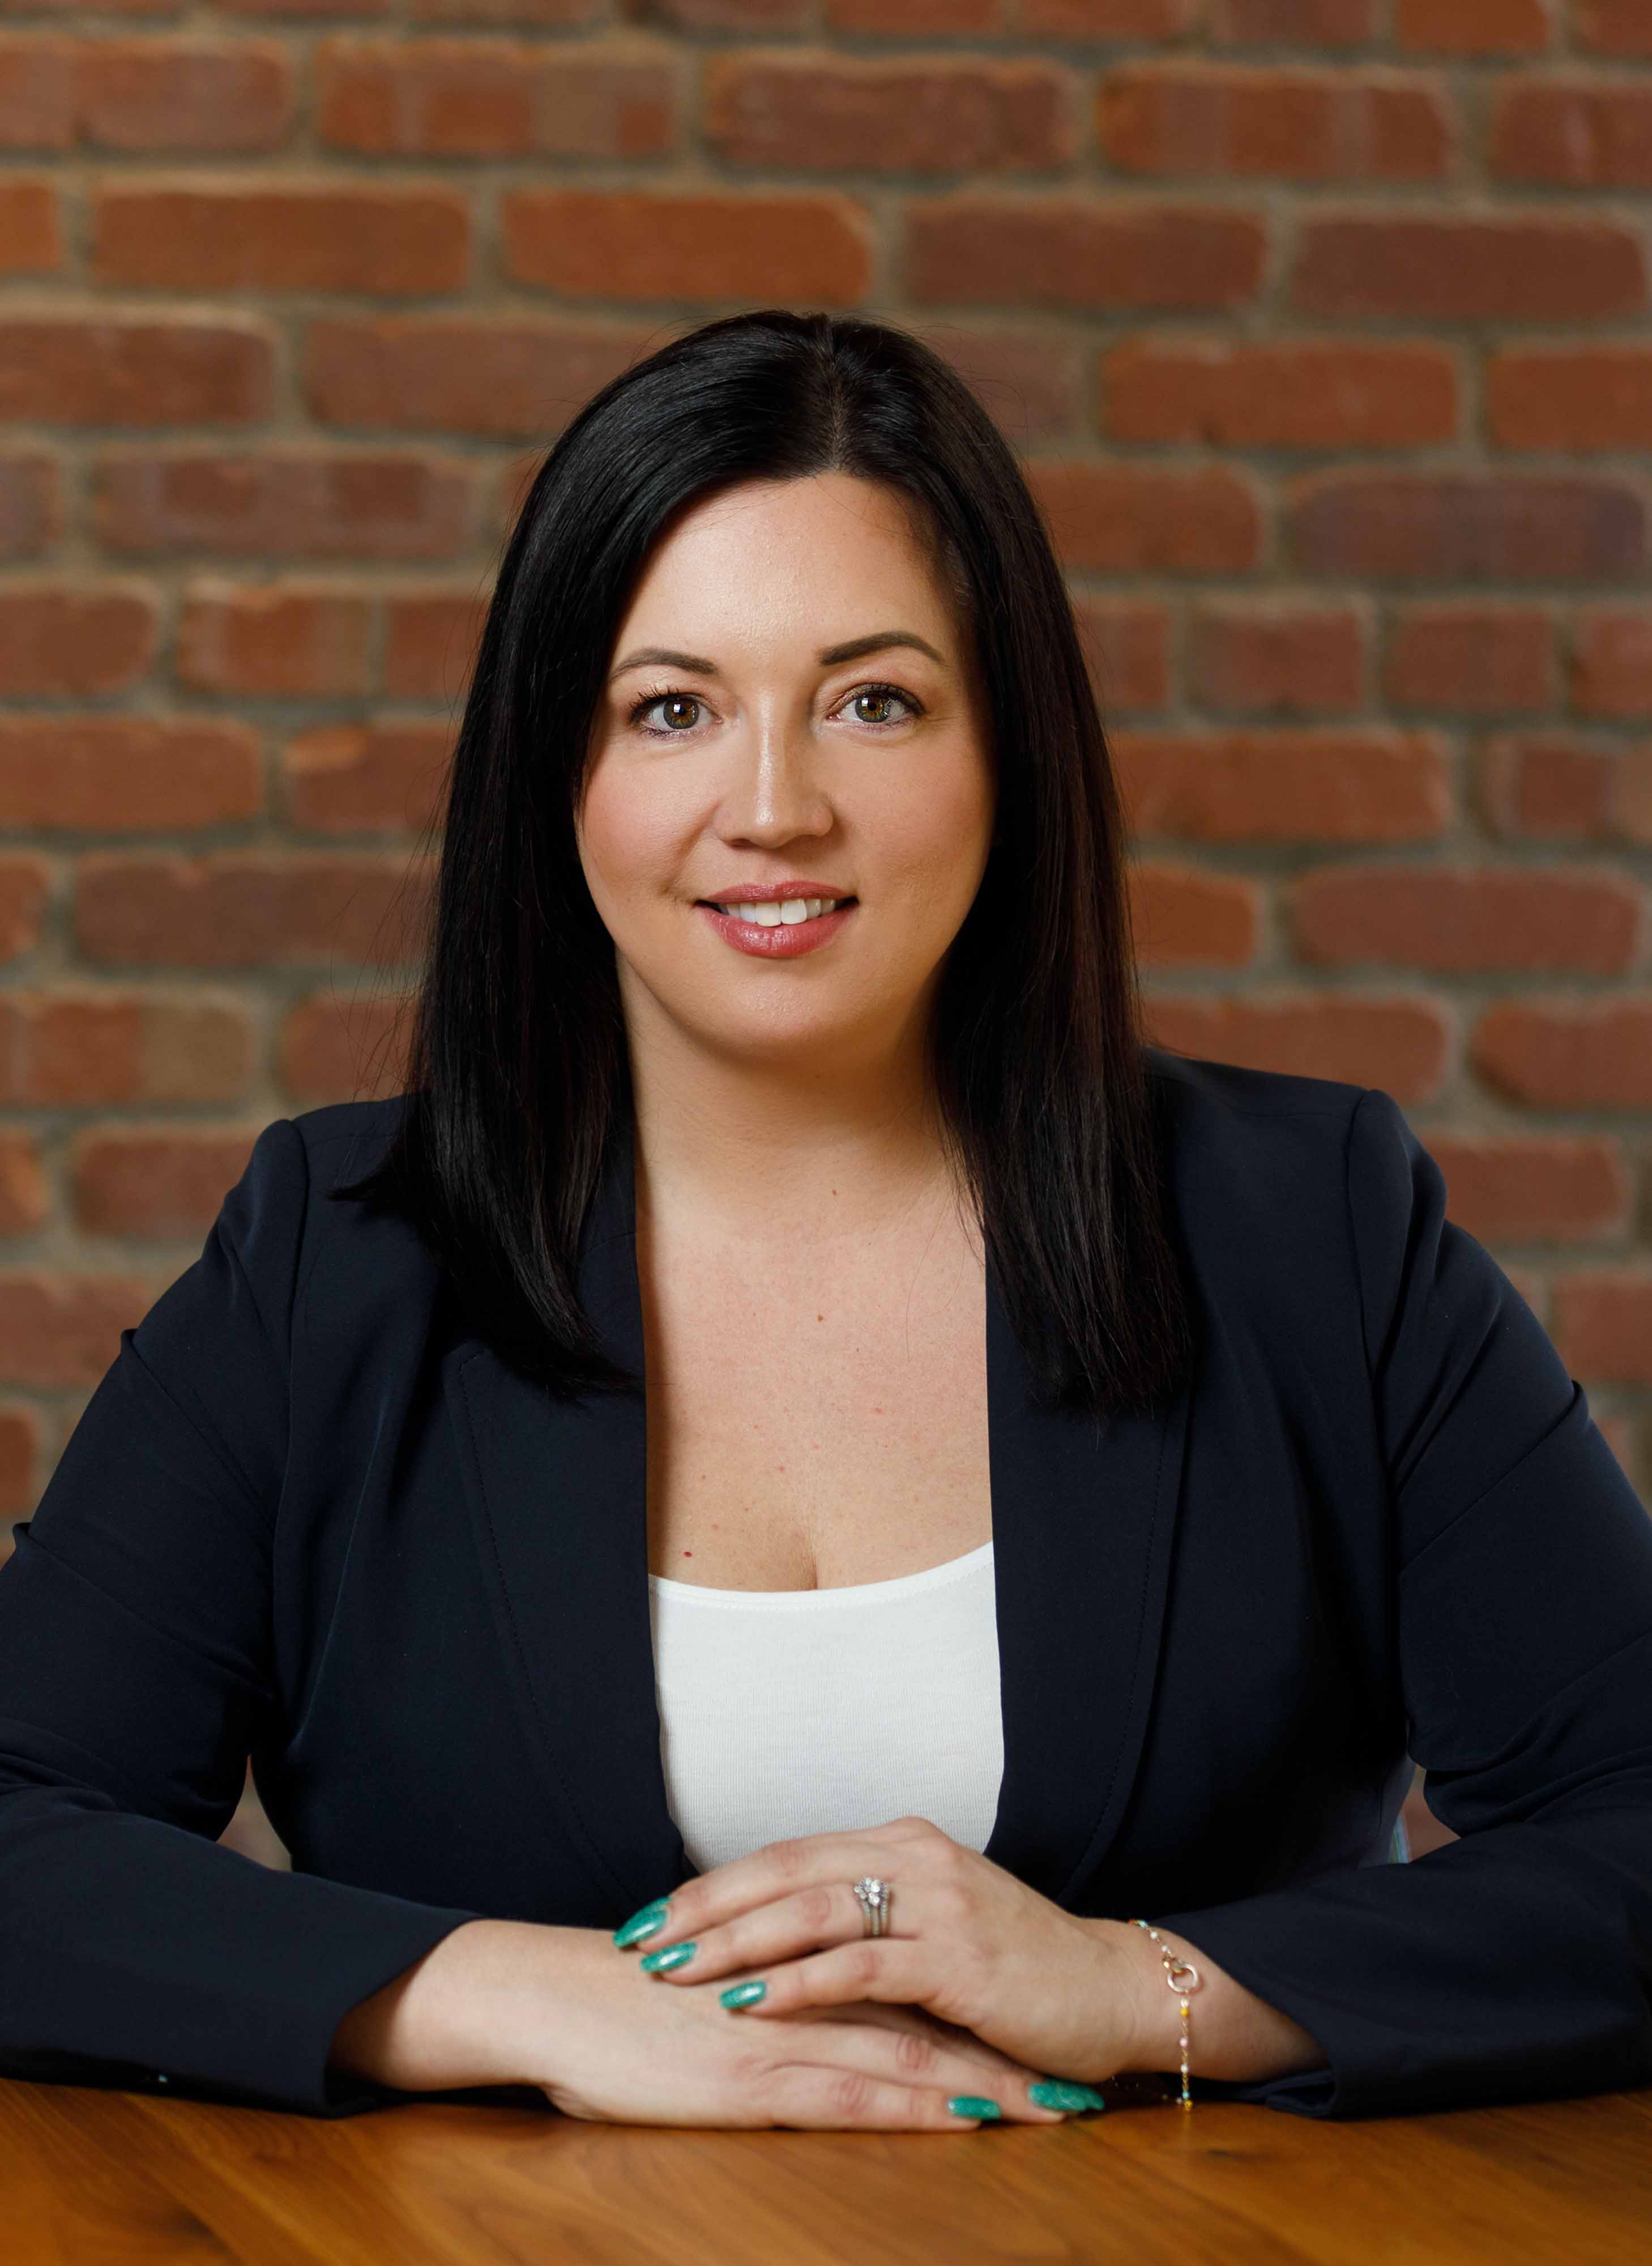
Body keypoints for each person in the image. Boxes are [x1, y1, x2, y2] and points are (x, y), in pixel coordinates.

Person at [1, 311, 1649, 2133]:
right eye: (671, 708)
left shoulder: (1312, 1231)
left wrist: (1142, 1985)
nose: (772, 808)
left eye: (874, 699)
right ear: (559, 777)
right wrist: (517, 1996)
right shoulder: (338, 1254)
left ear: (1003, 753)